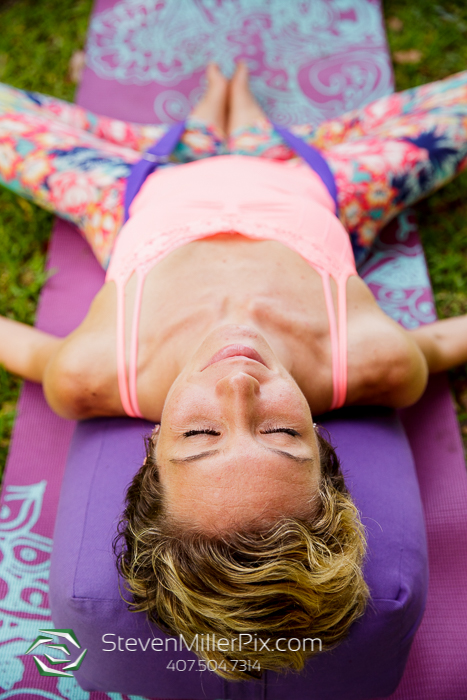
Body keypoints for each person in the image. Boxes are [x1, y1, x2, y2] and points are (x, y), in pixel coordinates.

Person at [1, 63, 467, 680]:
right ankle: (241, 117)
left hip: (140, 188)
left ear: (149, 455)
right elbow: (435, 346)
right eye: (281, 434)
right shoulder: (371, 359)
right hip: (312, 181)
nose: (238, 389)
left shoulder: (94, 373)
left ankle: (204, 122)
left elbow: (31, 353)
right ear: (325, 447)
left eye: (200, 435)